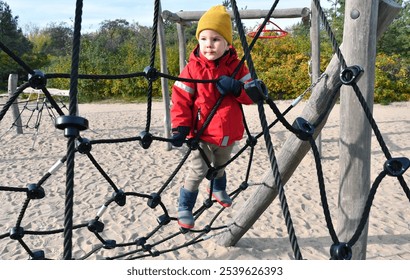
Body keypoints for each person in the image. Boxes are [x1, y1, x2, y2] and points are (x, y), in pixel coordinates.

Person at [170, 5, 254, 229]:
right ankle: (185, 207)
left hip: (228, 132)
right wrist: (180, 127)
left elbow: (252, 96)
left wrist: (237, 89)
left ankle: (217, 188)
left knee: (221, 165)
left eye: (216, 39)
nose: (209, 44)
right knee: (198, 171)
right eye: (204, 38)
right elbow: (180, 99)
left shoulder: (237, 68)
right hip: (202, 133)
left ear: (227, 43)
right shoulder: (192, 69)